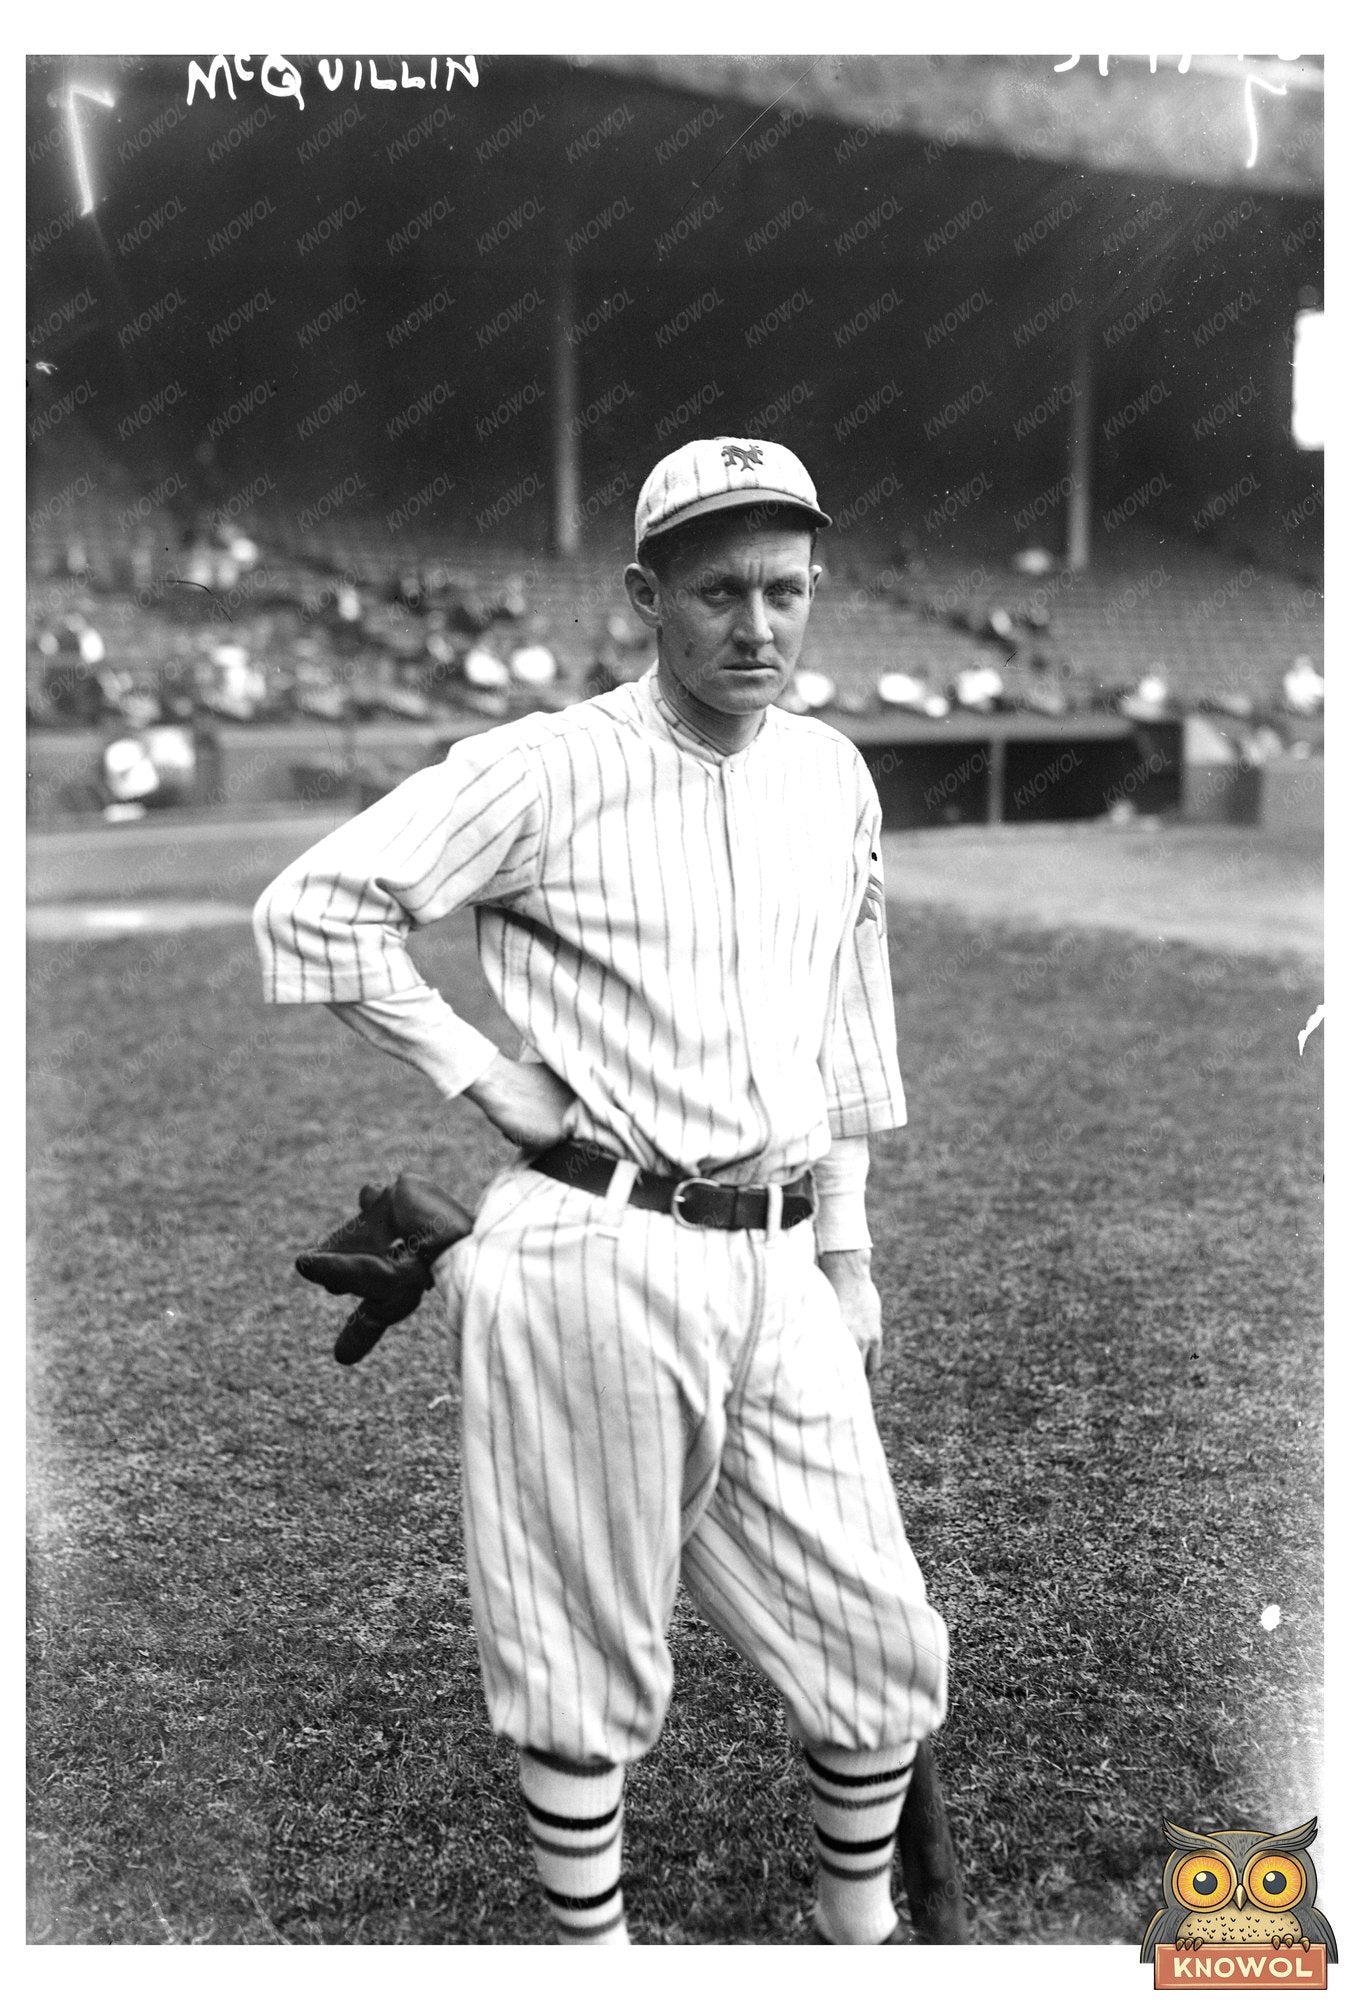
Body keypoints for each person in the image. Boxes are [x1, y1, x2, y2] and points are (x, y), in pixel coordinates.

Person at [253, 437, 950, 1945]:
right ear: (645, 597)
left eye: (785, 591)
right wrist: (480, 1076)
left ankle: (862, 1936)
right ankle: (593, 1959)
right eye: (717, 592)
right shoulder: (546, 765)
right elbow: (314, 908)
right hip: (593, 1243)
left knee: (880, 1638)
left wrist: (847, 1250)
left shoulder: (831, 773)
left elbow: (847, 1022)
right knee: (581, 1652)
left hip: (778, 1259)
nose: (756, 625)